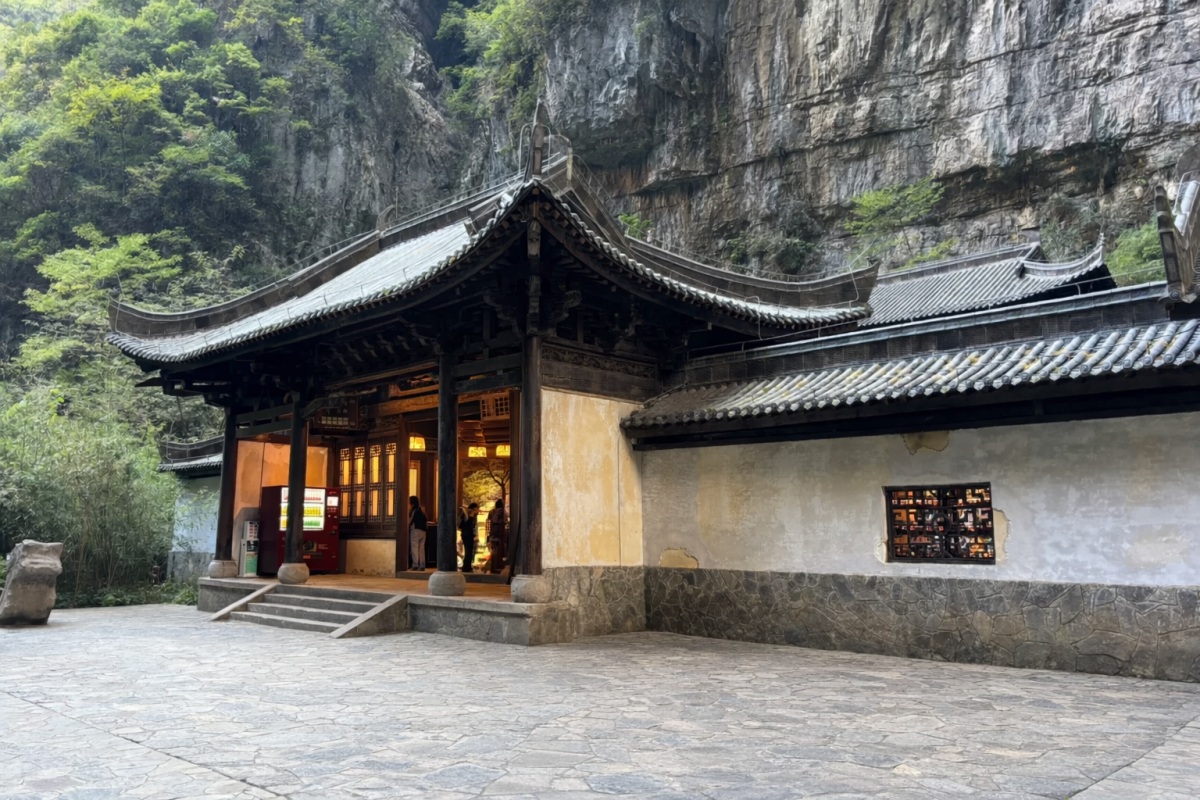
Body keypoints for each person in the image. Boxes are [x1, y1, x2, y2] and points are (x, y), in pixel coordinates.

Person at [487, 498, 507, 574]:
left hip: (493, 535)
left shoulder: (491, 512)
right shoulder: (504, 513)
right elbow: (505, 522)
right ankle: (499, 567)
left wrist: (488, 536)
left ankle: (493, 567)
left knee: (494, 552)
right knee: (500, 552)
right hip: (501, 534)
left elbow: (488, 524)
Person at [408, 495, 427, 571]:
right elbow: (426, 518)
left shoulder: (414, 510)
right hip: (423, 531)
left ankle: (415, 564)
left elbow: (411, 520)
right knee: (421, 548)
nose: (408, 504)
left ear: (412, 503)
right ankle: (422, 565)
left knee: (414, 547)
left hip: (415, 530)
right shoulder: (422, 510)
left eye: (409, 502)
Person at [459, 502, 479, 573]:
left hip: (466, 535)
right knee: (468, 551)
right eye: (477, 508)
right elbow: (469, 526)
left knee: (469, 551)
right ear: (474, 508)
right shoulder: (468, 515)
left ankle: (467, 566)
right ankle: (467, 567)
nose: (478, 510)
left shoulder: (467, 515)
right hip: (468, 535)